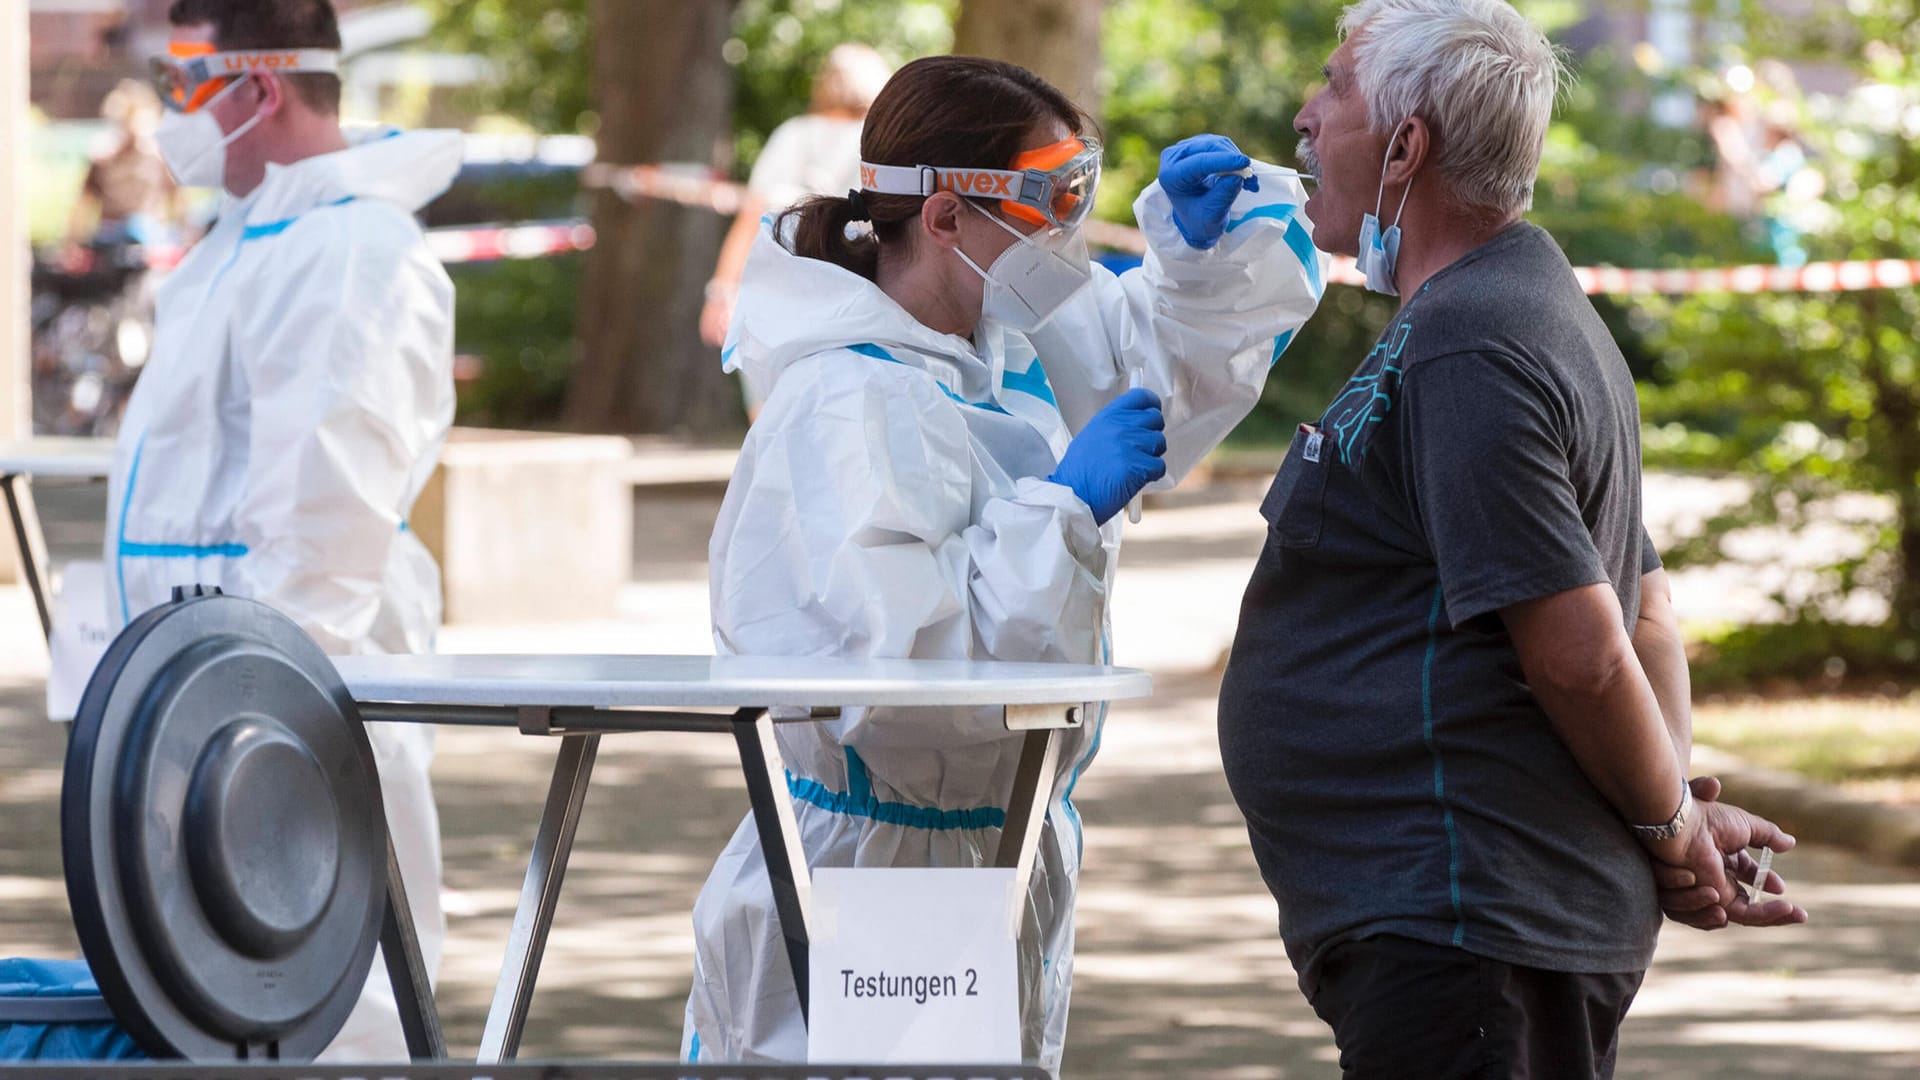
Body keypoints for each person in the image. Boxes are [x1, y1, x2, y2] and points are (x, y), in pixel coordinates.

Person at [687, 55, 1323, 1071]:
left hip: (990, 850)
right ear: (944, 216)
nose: (1068, 230)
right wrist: (1060, 512)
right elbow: (904, 682)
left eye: (1083, 187)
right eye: (1048, 195)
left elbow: (1157, 373)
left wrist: (1204, 265)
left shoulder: (996, 336)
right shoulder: (844, 403)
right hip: (882, 872)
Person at [1215, 2, 1809, 1077]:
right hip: (1470, 933)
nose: (1304, 116)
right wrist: (1662, 808)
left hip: (1468, 929)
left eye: (1334, 87)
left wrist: (1670, 825)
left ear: (1408, 144)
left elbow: (1586, 651)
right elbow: (1646, 609)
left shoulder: (1473, 336)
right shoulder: (1519, 306)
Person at [105, 0, 458, 1060]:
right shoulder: (251, 236)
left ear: (259, 86)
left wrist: (249, 701)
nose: (173, 109)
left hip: (280, 673)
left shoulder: (348, 252)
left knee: (324, 985)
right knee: (223, 987)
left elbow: (324, 519)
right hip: (206, 671)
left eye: (186, 81)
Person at [699, 42, 893, 419]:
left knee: (770, 414)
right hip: (854, 293)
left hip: (778, 289)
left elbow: (753, 217)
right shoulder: (881, 145)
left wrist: (721, 292)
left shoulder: (793, 136)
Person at [64, 80, 181, 264]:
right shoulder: (104, 158)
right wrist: (73, 244)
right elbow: (82, 206)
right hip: (110, 239)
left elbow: (178, 202)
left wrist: (182, 236)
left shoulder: (156, 158)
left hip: (149, 239)